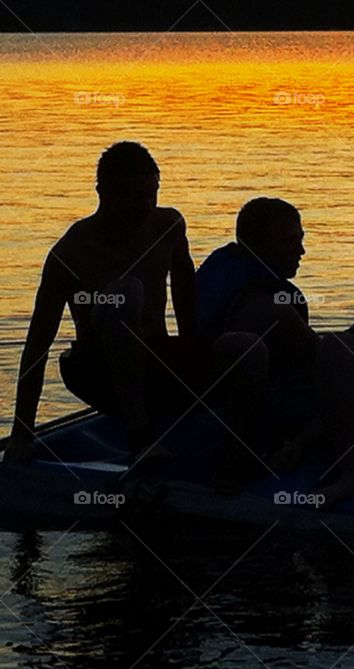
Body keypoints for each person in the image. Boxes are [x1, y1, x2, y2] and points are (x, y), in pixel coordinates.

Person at [4, 141, 266, 471]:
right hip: (98, 370)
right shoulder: (70, 254)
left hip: (154, 359)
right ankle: (141, 440)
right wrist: (21, 433)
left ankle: (242, 459)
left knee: (246, 347)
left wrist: (193, 345)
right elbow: (37, 347)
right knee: (125, 294)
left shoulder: (167, 226)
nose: (141, 207)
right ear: (102, 192)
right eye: (129, 196)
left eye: (149, 195)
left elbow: (185, 289)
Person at [195, 197, 354, 498]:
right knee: (352, 340)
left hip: (222, 389)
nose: (301, 251)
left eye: (301, 240)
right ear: (255, 246)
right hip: (274, 407)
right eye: (289, 241)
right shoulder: (273, 308)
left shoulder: (222, 270)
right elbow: (323, 361)